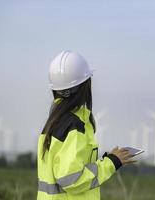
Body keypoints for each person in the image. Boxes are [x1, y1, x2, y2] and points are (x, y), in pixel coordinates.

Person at [37, 50, 135, 200]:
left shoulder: (55, 122)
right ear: (84, 87)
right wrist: (111, 163)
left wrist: (105, 159)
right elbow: (71, 180)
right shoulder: (74, 126)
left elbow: (69, 167)